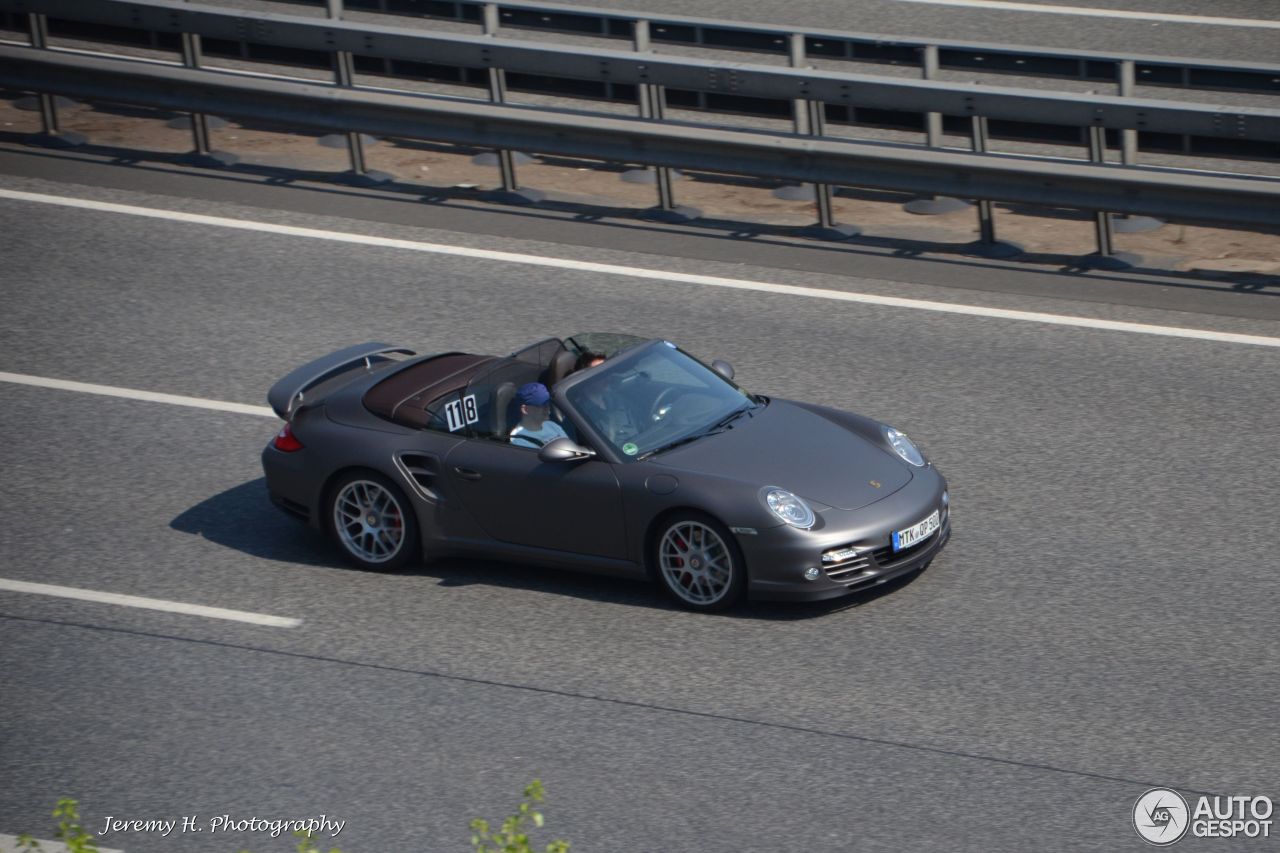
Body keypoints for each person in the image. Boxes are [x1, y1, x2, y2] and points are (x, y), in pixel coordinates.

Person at [509, 382, 568, 449]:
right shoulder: (518, 439)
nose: (548, 409)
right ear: (525, 409)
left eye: (548, 404)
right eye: (542, 406)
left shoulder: (552, 425)